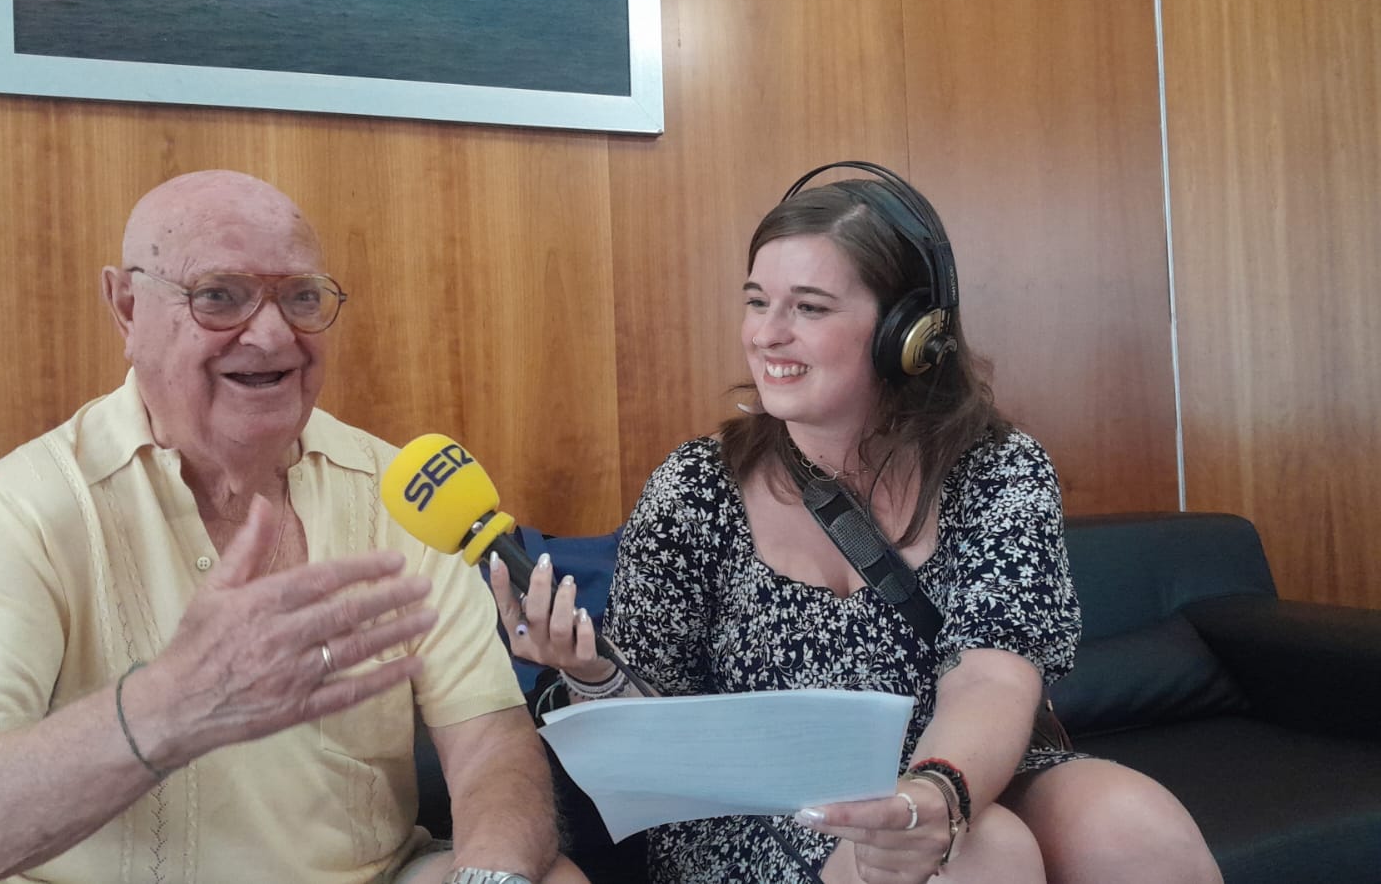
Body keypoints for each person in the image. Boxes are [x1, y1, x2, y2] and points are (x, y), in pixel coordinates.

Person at [493, 163, 1223, 884]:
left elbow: (991, 677)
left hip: (958, 765)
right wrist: (587, 671)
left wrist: (933, 792)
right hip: (759, 812)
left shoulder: (996, 468)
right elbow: (650, 727)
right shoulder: (694, 487)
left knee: (1132, 825)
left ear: (907, 333)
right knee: (982, 852)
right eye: (756, 302)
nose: (768, 335)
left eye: (808, 307)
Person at [0, 170, 585, 884]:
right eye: (220, 296)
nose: (273, 334)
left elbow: (492, 747)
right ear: (126, 308)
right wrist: (169, 706)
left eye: (301, 296)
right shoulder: (30, 504)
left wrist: (490, 877)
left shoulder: (398, 491)